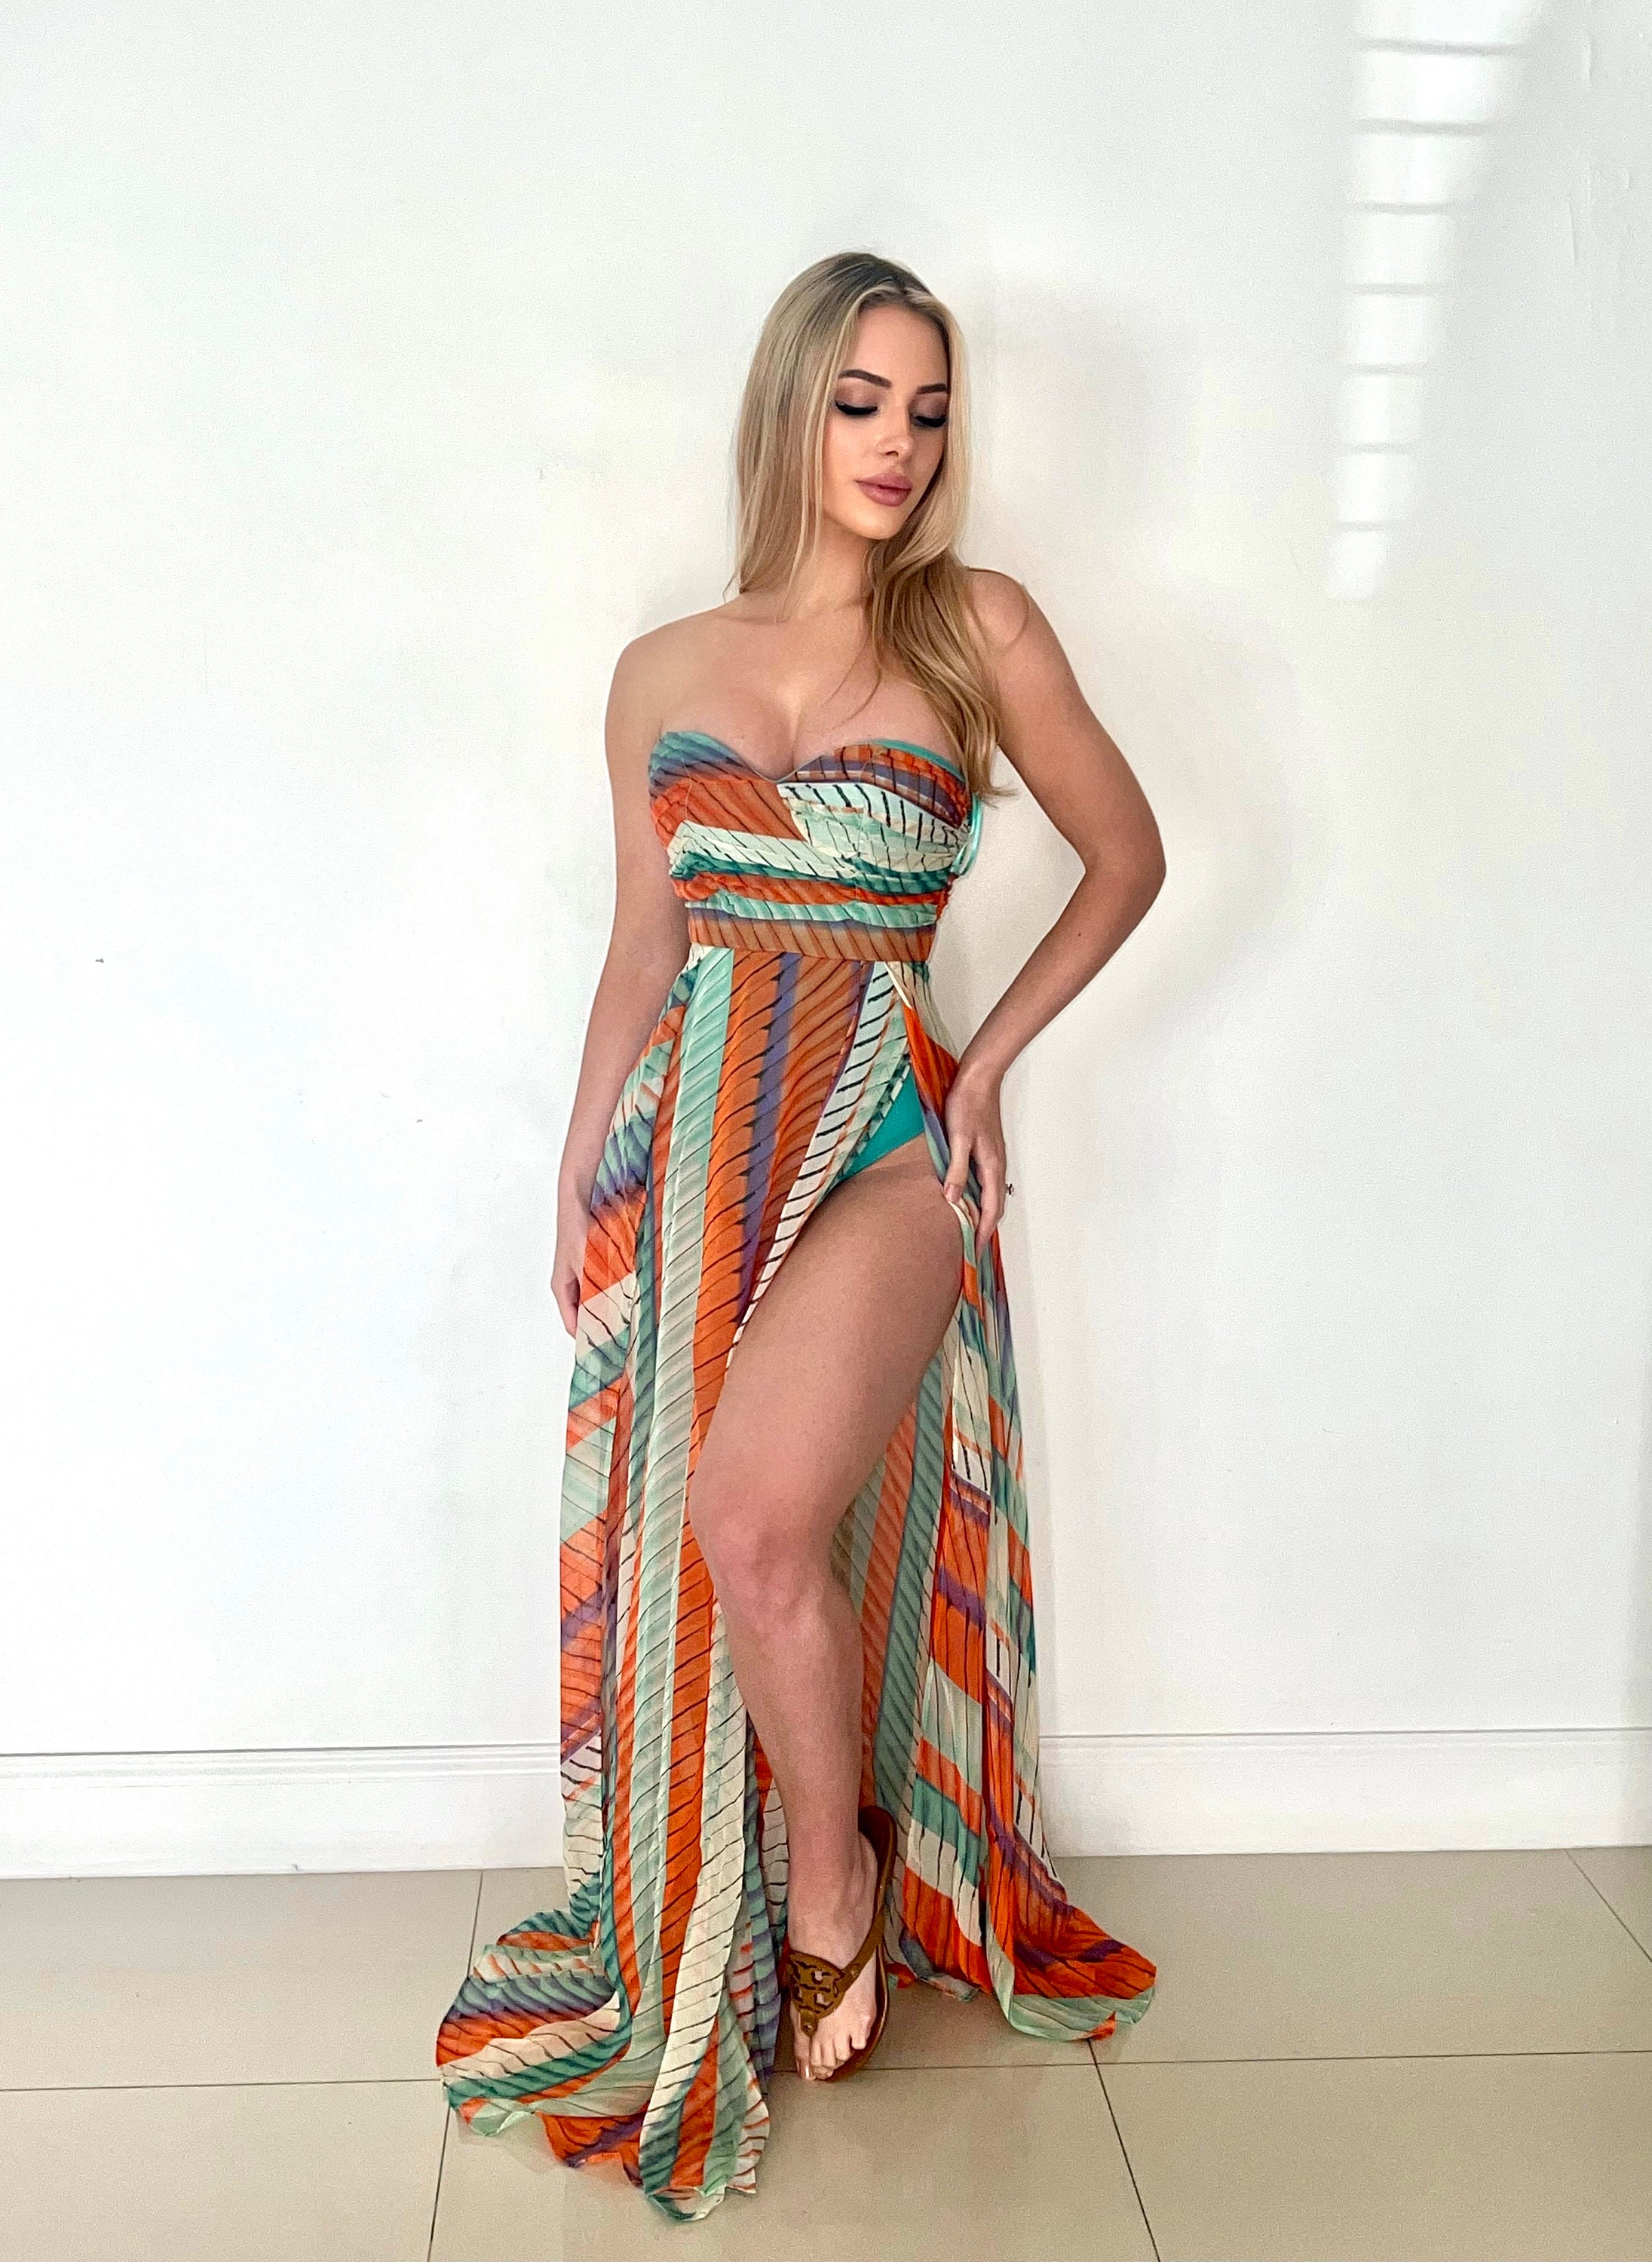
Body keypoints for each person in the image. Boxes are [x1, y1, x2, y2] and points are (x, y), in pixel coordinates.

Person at [436, 248, 1165, 2224]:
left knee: (757, 1518)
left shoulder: (976, 627)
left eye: (927, 409)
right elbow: (642, 944)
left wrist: (987, 1065)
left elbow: (1128, 855)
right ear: (788, 406)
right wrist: (577, 1162)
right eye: (860, 401)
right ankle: (752, 1875)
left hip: (894, 1137)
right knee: (721, 1547)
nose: (897, 444)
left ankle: (835, 1883)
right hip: (697, 1148)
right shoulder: (657, 670)